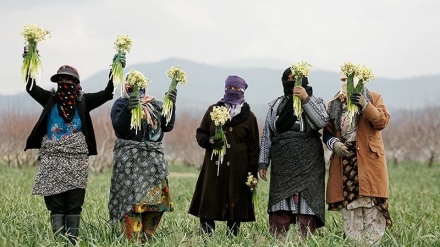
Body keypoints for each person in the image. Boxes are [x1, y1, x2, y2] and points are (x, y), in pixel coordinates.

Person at [23, 47, 119, 245]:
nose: (64, 83)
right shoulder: (50, 100)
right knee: (56, 205)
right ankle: (60, 242)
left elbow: (108, 93)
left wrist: (115, 68)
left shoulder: (83, 102)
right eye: (61, 80)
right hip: (52, 159)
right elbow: (31, 86)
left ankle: (72, 242)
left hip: (76, 160)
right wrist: (31, 60)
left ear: (76, 83)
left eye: (68, 80)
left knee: (74, 204)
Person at [258, 67, 329, 237]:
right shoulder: (276, 104)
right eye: (289, 78)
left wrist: (305, 99)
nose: (292, 82)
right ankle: (279, 239)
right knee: (281, 206)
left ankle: (304, 240)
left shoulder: (315, 101)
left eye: (296, 78)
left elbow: (321, 121)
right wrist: (263, 163)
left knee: (307, 204)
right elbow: (268, 135)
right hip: (283, 162)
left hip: (309, 162)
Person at [323, 73, 392, 245]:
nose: (346, 83)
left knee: (372, 210)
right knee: (350, 211)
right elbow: (328, 132)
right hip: (345, 163)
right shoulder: (335, 103)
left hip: (369, 163)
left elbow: (382, 122)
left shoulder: (374, 97)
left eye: (349, 79)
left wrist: (365, 105)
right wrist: (334, 144)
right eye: (343, 80)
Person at [108, 71, 178, 241]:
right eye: (131, 86)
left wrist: (170, 105)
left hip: (153, 163)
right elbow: (120, 128)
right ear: (126, 87)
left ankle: (147, 237)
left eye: (139, 86)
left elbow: (167, 126)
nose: (136, 90)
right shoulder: (121, 103)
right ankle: (132, 239)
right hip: (130, 162)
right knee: (131, 203)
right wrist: (128, 108)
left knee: (155, 205)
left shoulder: (154, 104)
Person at [188, 75, 260, 237]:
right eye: (229, 88)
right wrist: (210, 140)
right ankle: (207, 235)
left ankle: (232, 236)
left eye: (236, 88)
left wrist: (252, 172)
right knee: (209, 201)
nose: (232, 91)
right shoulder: (213, 110)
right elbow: (201, 133)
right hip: (213, 168)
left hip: (239, 170)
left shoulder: (249, 117)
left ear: (243, 91)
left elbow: (254, 147)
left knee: (236, 202)